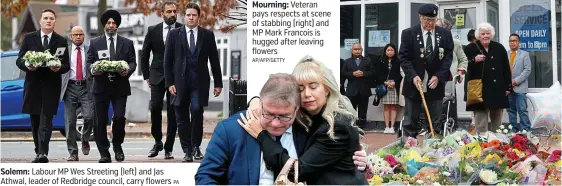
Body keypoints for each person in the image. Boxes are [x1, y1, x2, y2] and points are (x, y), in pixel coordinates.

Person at [195, 73, 368, 184]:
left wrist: (361, 161)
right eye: (269, 114)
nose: (276, 123)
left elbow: (331, 163)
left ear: (297, 110)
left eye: (285, 117)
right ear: (260, 105)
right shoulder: (230, 130)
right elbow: (206, 177)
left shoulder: (309, 131)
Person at [239, 56, 369, 185]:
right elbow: (277, 93)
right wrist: (256, 101)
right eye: (300, 89)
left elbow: (298, 171)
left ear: (327, 89)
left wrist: (261, 135)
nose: (306, 94)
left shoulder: (337, 125)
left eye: (313, 87)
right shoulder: (311, 115)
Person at [164, 2, 223, 162]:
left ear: (198, 17)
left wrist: (218, 83)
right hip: (179, 84)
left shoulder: (207, 35)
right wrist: (169, 83)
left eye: (194, 15)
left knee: (197, 111)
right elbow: (167, 61)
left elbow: (214, 61)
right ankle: (187, 151)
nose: (191, 17)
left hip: (199, 83)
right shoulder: (174, 34)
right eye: (188, 15)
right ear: (184, 16)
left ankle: (196, 146)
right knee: (181, 118)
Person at [15, 8, 70, 163]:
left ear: (54, 21)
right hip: (33, 86)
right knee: (36, 122)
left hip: (51, 87)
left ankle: (43, 153)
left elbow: (66, 65)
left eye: (51, 18)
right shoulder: (29, 38)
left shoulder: (61, 41)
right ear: (40, 21)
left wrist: (59, 67)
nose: (48, 20)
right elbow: (19, 60)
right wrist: (27, 64)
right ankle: (38, 149)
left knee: (46, 121)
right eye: (45, 18)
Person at [86, 9, 137, 163]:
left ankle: (117, 145)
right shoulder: (95, 43)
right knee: (100, 120)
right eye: (108, 23)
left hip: (120, 86)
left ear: (117, 26)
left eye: (114, 23)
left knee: (120, 117)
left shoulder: (127, 43)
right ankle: (104, 152)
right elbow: (89, 63)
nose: (111, 25)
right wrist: (95, 69)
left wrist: (126, 71)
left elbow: (133, 62)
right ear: (104, 25)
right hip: (101, 87)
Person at [398, 4, 454, 138]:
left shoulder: (444, 34)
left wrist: (438, 76)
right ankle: (409, 146)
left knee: (435, 120)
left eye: (433, 20)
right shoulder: (409, 33)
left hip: (435, 84)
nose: (430, 23)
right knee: (411, 119)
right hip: (414, 83)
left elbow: (448, 58)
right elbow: (403, 57)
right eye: (427, 20)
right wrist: (413, 75)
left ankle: (433, 147)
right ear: (420, 18)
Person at [140, 1, 182, 159]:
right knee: (155, 107)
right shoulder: (153, 30)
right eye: (169, 11)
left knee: (173, 112)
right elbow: (144, 54)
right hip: (157, 75)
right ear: (162, 13)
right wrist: (146, 76)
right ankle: (157, 141)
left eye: (174, 11)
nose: (172, 14)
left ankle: (168, 147)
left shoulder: (181, 29)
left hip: (176, 78)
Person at [464, 22, 511, 134]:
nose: (485, 36)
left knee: (497, 123)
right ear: (478, 36)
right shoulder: (470, 48)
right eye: (483, 33)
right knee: (481, 122)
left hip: (497, 89)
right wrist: (474, 60)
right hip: (479, 91)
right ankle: (482, 143)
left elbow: (506, 68)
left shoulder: (499, 47)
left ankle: (498, 144)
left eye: (488, 33)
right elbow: (463, 66)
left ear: (492, 35)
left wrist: (508, 86)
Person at [60, 26, 93, 161]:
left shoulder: (89, 50)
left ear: (84, 36)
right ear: (71, 36)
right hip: (70, 88)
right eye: (75, 35)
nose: (78, 37)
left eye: (81, 34)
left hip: (86, 87)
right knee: (70, 121)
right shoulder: (65, 51)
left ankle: (85, 139)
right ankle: (73, 152)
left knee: (89, 116)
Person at [342, 43, 375, 128]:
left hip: (364, 90)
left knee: (363, 110)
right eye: (355, 49)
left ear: (362, 50)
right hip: (351, 90)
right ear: (352, 51)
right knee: (350, 110)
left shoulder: (368, 61)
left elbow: (373, 72)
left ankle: (362, 127)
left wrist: (363, 73)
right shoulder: (347, 61)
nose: (357, 51)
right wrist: (352, 74)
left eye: (359, 49)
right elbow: (343, 73)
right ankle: (351, 127)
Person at [507, 33, 531, 132]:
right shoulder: (505, 54)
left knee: (522, 110)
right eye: (510, 41)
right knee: (511, 111)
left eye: (514, 41)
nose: (512, 43)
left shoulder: (524, 54)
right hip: (508, 88)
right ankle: (513, 131)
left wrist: (515, 81)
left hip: (520, 87)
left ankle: (526, 130)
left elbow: (527, 70)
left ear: (518, 42)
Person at [376, 44, 402, 134]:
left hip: (394, 85)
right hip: (385, 85)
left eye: (392, 50)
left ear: (395, 51)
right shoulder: (381, 61)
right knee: (386, 107)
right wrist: (385, 82)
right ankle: (387, 126)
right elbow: (378, 74)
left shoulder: (398, 61)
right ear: (385, 51)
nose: (390, 52)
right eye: (388, 50)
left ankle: (392, 127)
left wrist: (395, 82)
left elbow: (400, 75)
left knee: (394, 107)